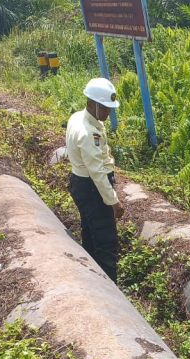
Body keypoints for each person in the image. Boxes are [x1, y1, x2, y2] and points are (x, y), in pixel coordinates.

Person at [66, 78, 125, 282]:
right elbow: (97, 173)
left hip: (81, 185)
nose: (109, 113)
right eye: (105, 108)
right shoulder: (88, 133)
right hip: (93, 190)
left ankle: (94, 281)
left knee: (91, 234)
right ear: (92, 103)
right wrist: (113, 202)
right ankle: (112, 291)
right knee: (106, 242)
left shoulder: (78, 118)